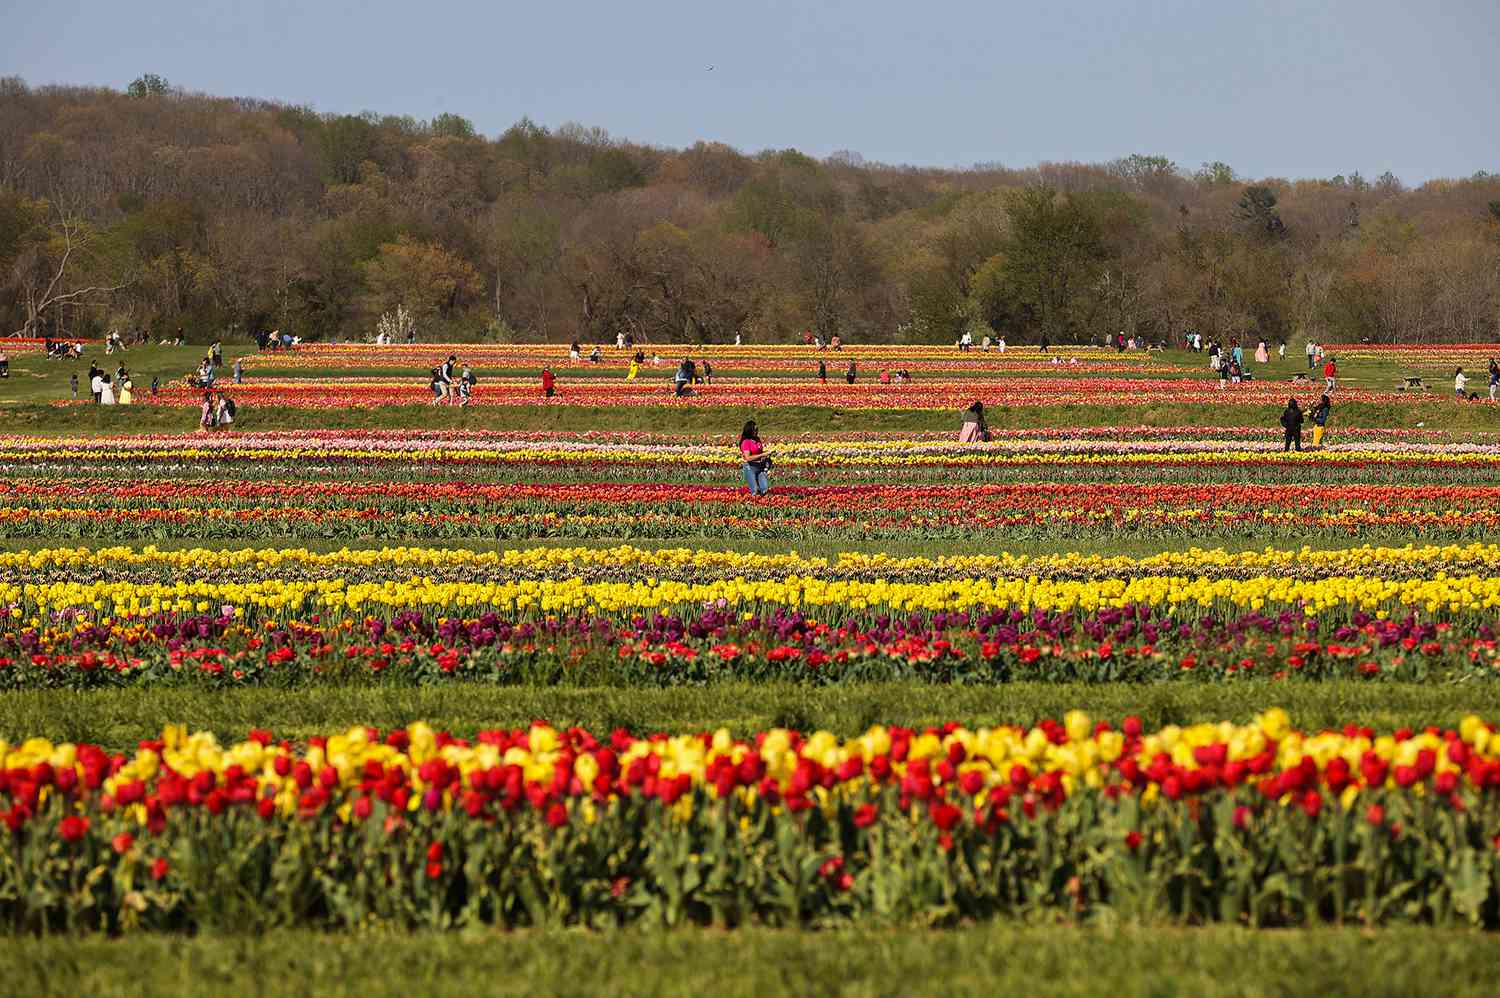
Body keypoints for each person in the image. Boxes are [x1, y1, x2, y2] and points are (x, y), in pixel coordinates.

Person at [739, 420, 770, 496]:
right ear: (749, 431)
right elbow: (748, 458)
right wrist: (762, 455)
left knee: (764, 489)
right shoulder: (746, 442)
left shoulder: (757, 440)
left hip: (760, 467)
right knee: (755, 491)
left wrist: (765, 457)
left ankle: (763, 505)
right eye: (755, 430)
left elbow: (759, 453)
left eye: (757, 430)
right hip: (750, 467)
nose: (757, 432)